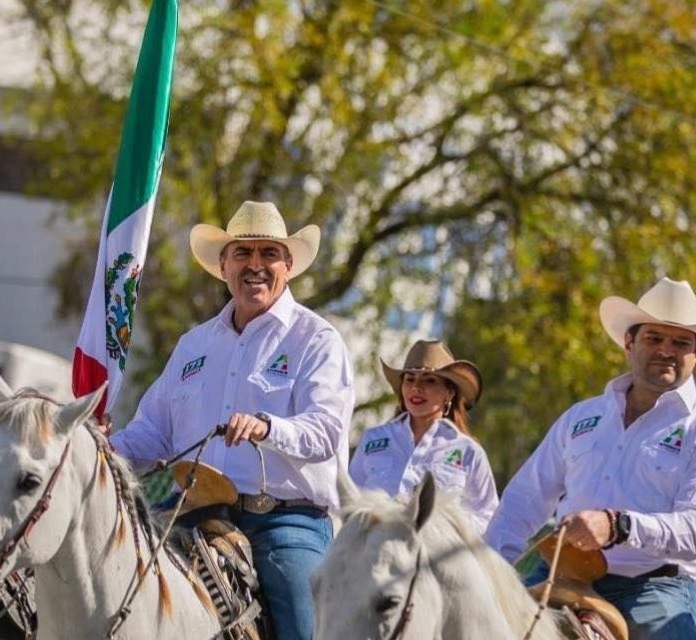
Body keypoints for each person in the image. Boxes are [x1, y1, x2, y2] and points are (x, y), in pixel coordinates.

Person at [108, 201, 355, 640]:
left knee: (303, 617)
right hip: (193, 513)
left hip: (285, 523)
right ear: (223, 266)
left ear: (288, 265)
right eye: (242, 253)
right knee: (116, 585)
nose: (255, 265)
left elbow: (326, 432)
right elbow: (153, 433)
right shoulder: (194, 345)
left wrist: (267, 427)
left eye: (268, 253)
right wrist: (100, 448)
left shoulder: (316, 339)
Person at [484, 277, 696, 640]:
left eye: (681, 342)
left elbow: (694, 531)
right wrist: (488, 567)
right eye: (654, 338)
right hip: (560, 569)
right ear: (629, 343)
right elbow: (523, 501)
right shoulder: (580, 418)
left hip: (654, 588)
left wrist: (618, 525)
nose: (667, 350)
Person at [349, 339, 498, 532]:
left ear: (449, 393)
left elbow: (487, 518)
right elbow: (350, 501)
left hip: (436, 558)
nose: (416, 387)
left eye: (429, 380)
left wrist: (444, 528)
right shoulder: (372, 440)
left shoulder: (468, 452)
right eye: (409, 379)